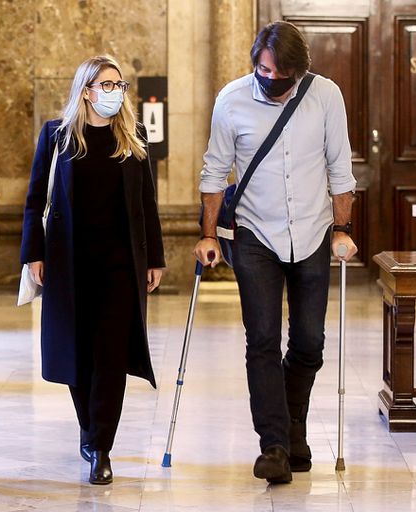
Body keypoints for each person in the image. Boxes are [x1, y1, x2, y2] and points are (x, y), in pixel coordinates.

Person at [195, 21, 357, 484]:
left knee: (309, 344)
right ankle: (275, 445)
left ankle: (293, 423)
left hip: (310, 232)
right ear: (255, 64)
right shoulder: (231, 100)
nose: (274, 83)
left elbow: (339, 167)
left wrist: (342, 228)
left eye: (284, 76)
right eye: (266, 72)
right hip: (255, 236)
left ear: (300, 72)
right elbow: (214, 173)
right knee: (262, 341)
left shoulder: (325, 95)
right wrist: (208, 234)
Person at [20, 55, 165, 485]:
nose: (114, 92)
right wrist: (34, 253)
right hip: (68, 262)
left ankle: (101, 445)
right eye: (106, 84)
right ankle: (88, 427)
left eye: (119, 85)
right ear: (86, 91)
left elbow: (147, 205)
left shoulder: (133, 137)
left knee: (111, 356)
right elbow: (33, 201)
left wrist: (154, 257)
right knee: (76, 354)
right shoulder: (57, 136)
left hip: (120, 265)